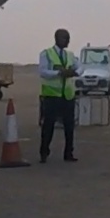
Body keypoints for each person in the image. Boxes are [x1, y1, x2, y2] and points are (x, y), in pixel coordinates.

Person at [38, 28, 81, 163]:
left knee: (69, 126)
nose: (67, 41)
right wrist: (58, 73)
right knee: (48, 125)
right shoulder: (46, 54)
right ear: (57, 39)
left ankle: (69, 153)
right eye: (65, 38)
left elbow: (80, 66)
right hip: (52, 95)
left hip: (67, 96)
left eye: (68, 38)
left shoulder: (70, 55)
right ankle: (44, 152)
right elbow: (43, 71)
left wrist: (75, 73)